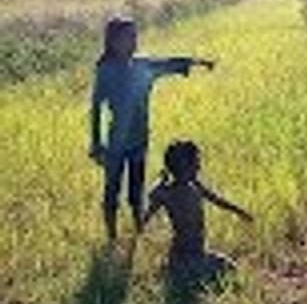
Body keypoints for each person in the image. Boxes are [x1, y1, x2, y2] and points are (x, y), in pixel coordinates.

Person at [89, 17, 214, 243]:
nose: (134, 41)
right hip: (115, 144)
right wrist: (96, 143)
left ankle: (138, 230)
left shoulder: (143, 65)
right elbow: (96, 107)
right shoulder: (105, 70)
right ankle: (111, 238)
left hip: (139, 141)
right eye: (129, 37)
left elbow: (169, 63)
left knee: (136, 192)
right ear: (113, 41)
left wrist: (196, 62)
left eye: (136, 36)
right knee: (111, 192)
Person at [141, 140, 253, 287]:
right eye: (195, 163)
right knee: (223, 275)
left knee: (229, 268)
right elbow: (144, 219)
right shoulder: (166, 193)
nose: (199, 166)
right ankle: (177, 274)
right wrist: (158, 183)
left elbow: (217, 200)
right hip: (183, 258)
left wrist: (239, 212)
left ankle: (178, 275)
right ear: (184, 167)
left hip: (198, 254)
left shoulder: (194, 186)